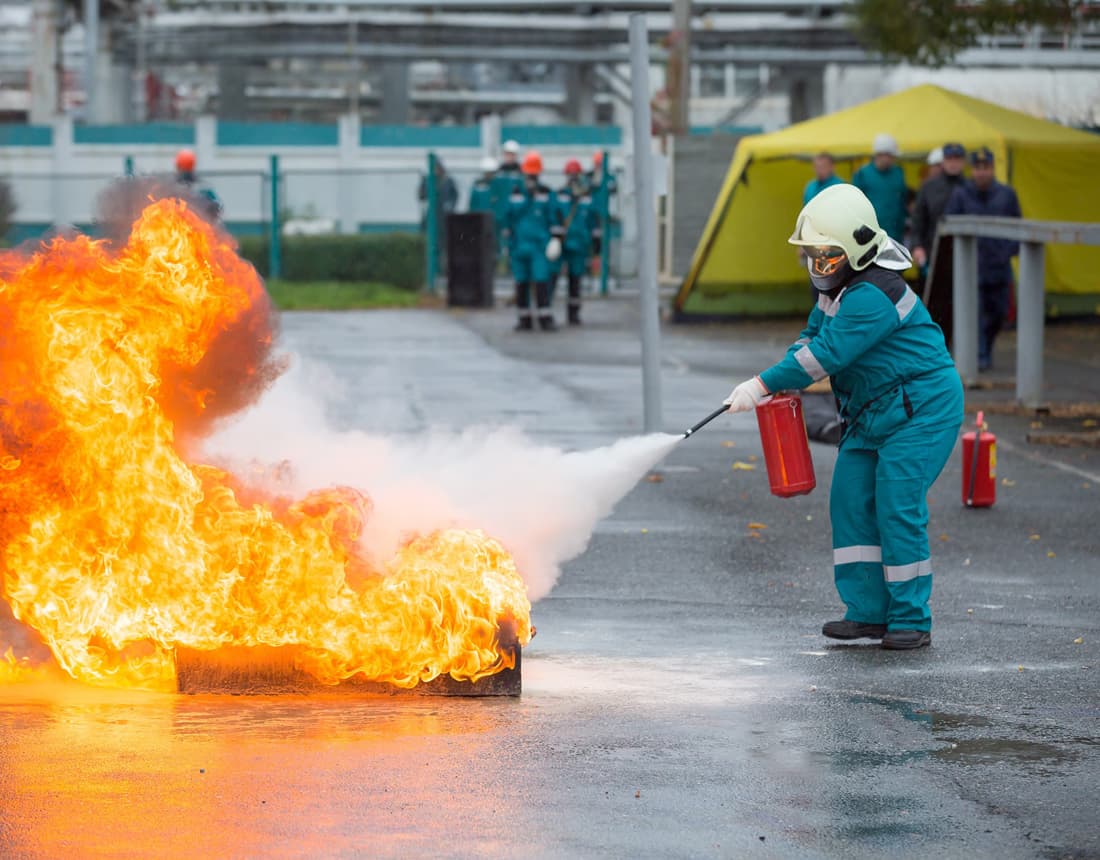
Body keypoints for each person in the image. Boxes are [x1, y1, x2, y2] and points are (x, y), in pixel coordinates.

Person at [722, 184, 963, 650]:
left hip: (922, 410)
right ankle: (869, 613)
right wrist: (785, 365)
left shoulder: (873, 293)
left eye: (826, 256)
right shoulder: (841, 287)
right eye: (813, 256)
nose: (818, 265)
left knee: (897, 506)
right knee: (851, 501)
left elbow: (826, 356)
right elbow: (813, 335)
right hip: (874, 411)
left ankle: (911, 618)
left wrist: (762, 383)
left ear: (854, 250)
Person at [943, 147, 1022, 371]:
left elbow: (1018, 224)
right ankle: (980, 355)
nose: (981, 173)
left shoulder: (1007, 194)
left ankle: (986, 347)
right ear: (972, 170)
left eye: (985, 168)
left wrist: (1009, 251)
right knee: (974, 314)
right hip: (971, 267)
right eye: (977, 168)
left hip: (998, 265)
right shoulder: (961, 194)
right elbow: (950, 225)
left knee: (997, 313)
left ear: (992, 169)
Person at [506, 150, 559, 331]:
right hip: (519, 246)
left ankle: (545, 318)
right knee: (521, 282)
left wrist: (555, 239)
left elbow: (553, 218)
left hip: (539, 247)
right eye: (529, 174)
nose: (531, 177)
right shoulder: (516, 192)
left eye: (534, 174)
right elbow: (509, 217)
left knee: (541, 281)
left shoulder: (545, 193)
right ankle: (524, 319)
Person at [551, 158, 599, 326]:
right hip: (563, 243)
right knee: (552, 277)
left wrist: (595, 243)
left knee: (575, 280)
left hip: (579, 245)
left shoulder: (586, 198)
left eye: (575, 174)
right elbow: (553, 217)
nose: (572, 178)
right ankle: (547, 311)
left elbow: (593, 221)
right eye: (570, 174)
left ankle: (573, 314)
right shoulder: (559, 196)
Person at [911, 142, 967, 273]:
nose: (953, 163)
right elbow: (918, 219)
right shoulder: (929, 187)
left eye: (957, 159)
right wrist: (917, 246)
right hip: (933, 251)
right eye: (949, 159)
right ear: (943, 161)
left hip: (964, 253)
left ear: (963, 162)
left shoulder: (970, 188)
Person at [852, 133, 909, 244]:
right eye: (891, 156)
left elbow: (903, 201)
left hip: (895, 235)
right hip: (869, 236)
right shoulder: (862, 174)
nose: (892, 160)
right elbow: (854, 206)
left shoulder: (898, 173)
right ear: (880, 154)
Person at [174, 148, 222, 221]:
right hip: (200, 227)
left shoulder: (171, 187)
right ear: (193, 165)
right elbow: (217, 206)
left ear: (177, 165)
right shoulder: (203, 187)